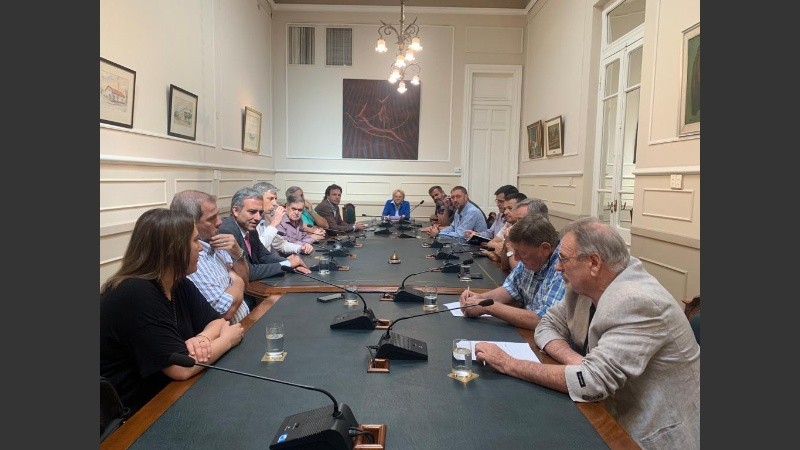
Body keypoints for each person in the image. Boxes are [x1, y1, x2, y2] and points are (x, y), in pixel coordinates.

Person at [475, 217, 700, 448]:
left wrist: (509, 363)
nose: (557, 266)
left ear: (594, 263)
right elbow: (546, 324)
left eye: (563, 258)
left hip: (650, 434)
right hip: (605, 409)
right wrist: (575, 361)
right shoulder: (586, 285)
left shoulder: (637, 302)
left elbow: (592, 382)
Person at [100, 208, 244, 414]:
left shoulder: (178, 282)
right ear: (174, 249)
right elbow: (181, 368)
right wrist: (227, 340)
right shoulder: (135, 292)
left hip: (168, 394)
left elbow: (218, 322)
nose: (200, 249)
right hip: (133, 414)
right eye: (195, 241)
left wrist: (202, 339)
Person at [459, 213, 565, 330]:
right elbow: (510, 288)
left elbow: (543, 320)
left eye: (522, 253)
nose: (516, 258)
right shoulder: (532, 255)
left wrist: (486, 307)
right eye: (515, 252)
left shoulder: (563, 267)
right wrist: (479, 298)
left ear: (545, 249)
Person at [170, 190, 250, 323]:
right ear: (189, 223)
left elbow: (246, 285)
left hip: (246, 322)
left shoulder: (216, 241)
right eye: (211, 218)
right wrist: (237, 281)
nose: (219, 222)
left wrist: (238, 254)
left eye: (218, 214)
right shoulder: (192, 259)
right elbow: (226, 311)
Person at [219, 187, 310, 293]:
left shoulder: (250, 228)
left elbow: (264, 255)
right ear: (235, 211)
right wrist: (288, 264)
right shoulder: (227, 231)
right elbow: (249, 271)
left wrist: (291, 263)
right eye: (252, 212)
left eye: (260, 212)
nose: (258, 218)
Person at [253, 182, 313, 256]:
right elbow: (259, 248)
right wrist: (275, 222)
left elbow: (280, 243)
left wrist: (300, 248)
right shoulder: (252, 220)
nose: (275, 203)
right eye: (270, 199)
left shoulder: (264, 218)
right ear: (258, 199)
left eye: (275, 199)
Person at [422, 186, 487, 239]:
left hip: (477, 246)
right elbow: (452, 228)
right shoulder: (458, 210)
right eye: (453, 197)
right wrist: (438, 231)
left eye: (458, 196)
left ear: (466, 197)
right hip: (465, 243)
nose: (455, 200)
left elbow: (461, 235)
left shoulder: (472, 211)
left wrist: (438, 234)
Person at [480, 192, 527, 262]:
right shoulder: (508, 223)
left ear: (520, 209)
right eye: (505, 209)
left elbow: (507, 256)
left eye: (510, 208)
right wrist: (500, 247)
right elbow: (490, 243)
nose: (505, 212)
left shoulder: (525, 227)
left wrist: (495, 254)